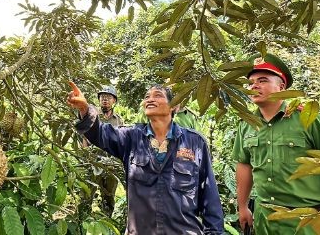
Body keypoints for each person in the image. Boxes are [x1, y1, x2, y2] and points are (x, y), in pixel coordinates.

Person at [232, 53, 320, 235]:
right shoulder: (247, 125)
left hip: (309, 222)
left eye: (263, 80)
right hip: (266, 221)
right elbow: (244, 165)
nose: (254, 85)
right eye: (251, 82)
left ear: (281, 86)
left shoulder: (308, 118)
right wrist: (242, 206)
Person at [67, 82, 224, 234]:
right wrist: (84, 109)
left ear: (173, 105)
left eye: (157, 95)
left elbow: (210, 198)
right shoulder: (131, 137)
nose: (149, 99)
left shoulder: (195, 142)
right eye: (147, 96)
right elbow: (100, 134)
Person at [83, 86, 123, 217]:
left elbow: (121, 139)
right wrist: (86, 157)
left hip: (111, 163)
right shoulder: (93, 116)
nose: (105, 100)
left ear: (114, 101)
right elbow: (85, 136)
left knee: (109, 194)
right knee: (87, 192)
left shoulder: (118, 120)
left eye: (108, 97)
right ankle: (81, 220)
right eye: (102, 97)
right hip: (94, 161)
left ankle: (107, 220)